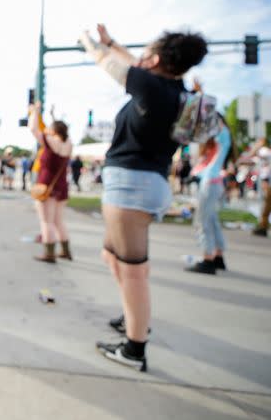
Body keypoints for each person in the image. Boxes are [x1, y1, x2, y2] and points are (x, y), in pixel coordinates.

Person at [81, 23, 208, 372]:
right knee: (112, 255)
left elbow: (109, 64)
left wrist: (91, 44)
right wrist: (111, 42)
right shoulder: (174, 90)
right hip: (144, 183)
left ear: (155, 60)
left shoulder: (151, 86)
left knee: (133, 270)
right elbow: (133, 60)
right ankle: (133, 317)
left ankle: (134, 348)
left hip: (130, 186)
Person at [185, 115, 234, 274]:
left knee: (202, 221)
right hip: (212, 183)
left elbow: (211, 167)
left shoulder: (222, 135)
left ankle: (208, 259)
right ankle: (218, 257)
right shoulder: (216, 144)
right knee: (211, 220)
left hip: (210, 184)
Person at [28, 102, 73, 262]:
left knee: (46, 221)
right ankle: (66, 251)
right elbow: (59, 129)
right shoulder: (68, 144)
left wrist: (35, 111)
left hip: (47, 185)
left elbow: (33, 129)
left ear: (54, 130)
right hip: (62, 186)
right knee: (58, 220)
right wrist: (53, 116)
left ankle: (49, 253)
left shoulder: (50, 142)